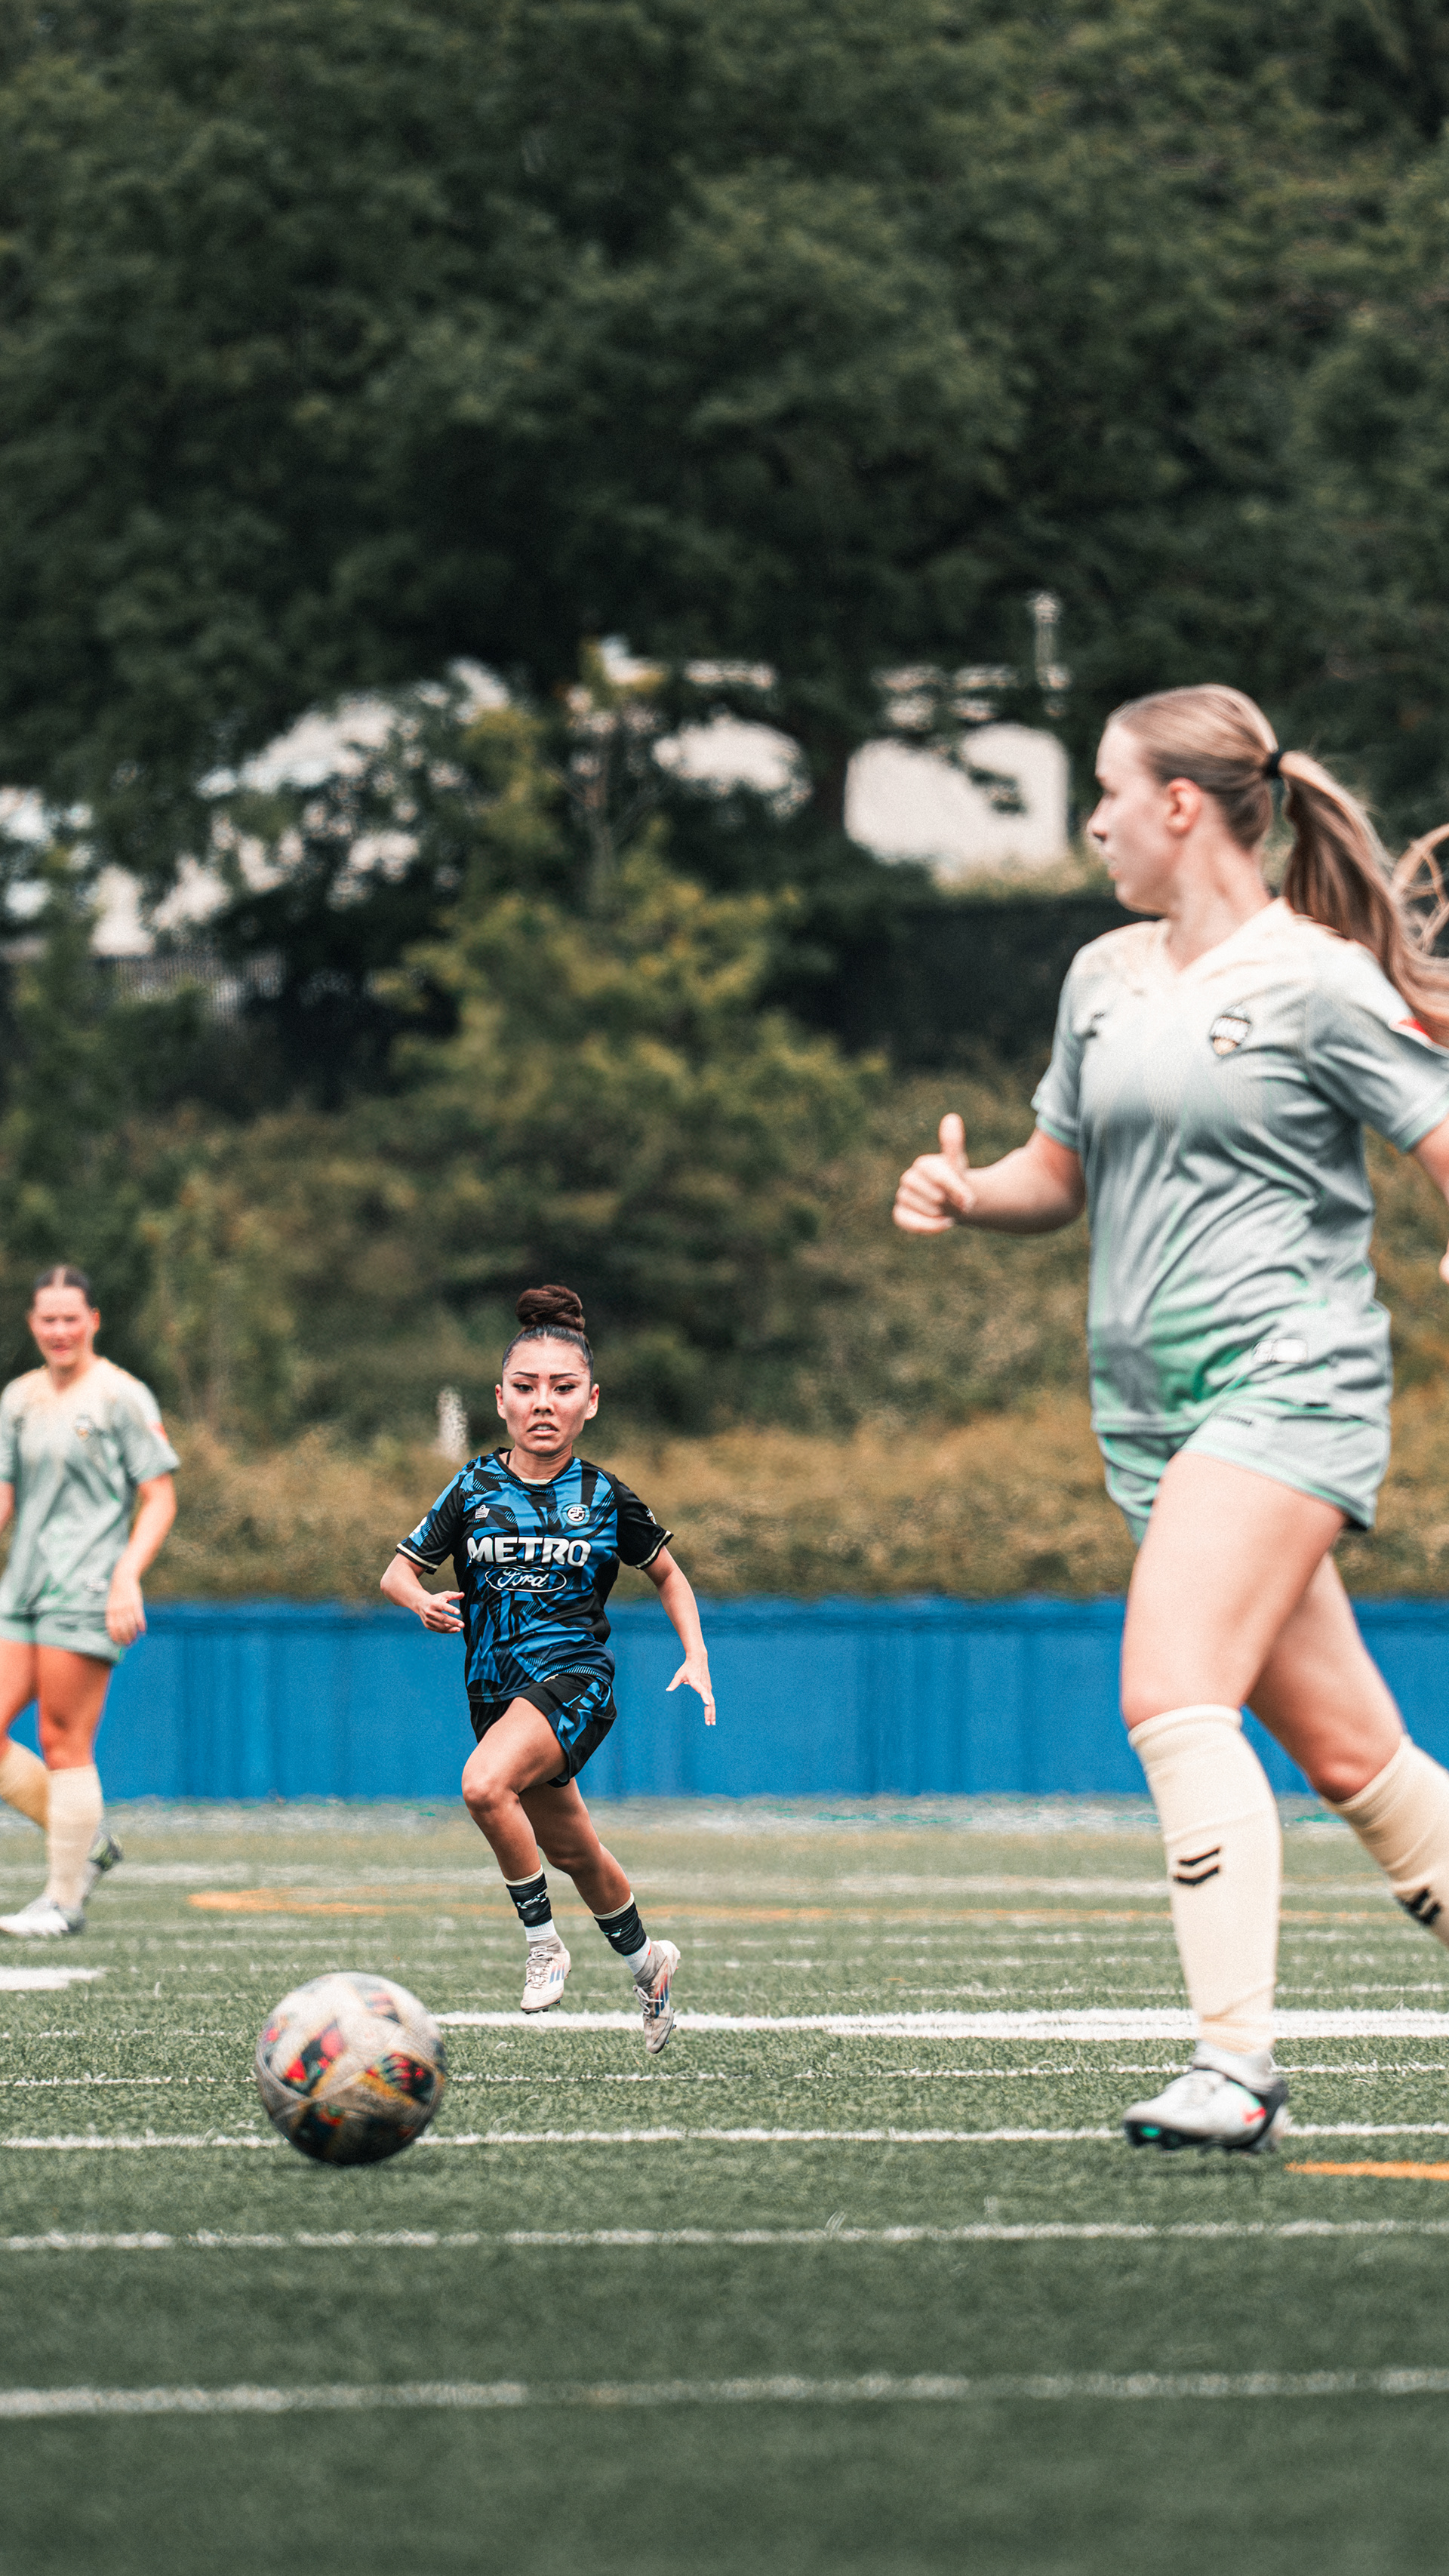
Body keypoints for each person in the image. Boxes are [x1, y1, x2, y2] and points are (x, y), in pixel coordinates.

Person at [894, 682, 1449, 2153]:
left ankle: (1234, 2062)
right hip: (1150, 1422)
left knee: (1171, 1685)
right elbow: (1057, 1171)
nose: (1093, 820)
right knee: (1359, 1762)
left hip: (1289, 1383)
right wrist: (967, 1191)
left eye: (1108, 790)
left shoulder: (1318, 981)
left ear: (1182, 805)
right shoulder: (1102, 976)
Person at [380, 1283, 715, 2054]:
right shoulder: (472, 1486)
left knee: (481, 1784)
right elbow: (398, 1571)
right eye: (526, 1386)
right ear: (500, 1399)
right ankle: (649, 1965)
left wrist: (695, 1653)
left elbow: (668, 1573)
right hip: (497, 1694)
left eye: (562, 1388)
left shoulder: (604, 1495)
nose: (543, 1402)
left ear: (590, 1401)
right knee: (574, 1852)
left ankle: (543, 1944)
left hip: (575, 1681)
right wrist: (420, 1600)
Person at [0, 1266, 178, 1938]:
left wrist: (127, 1575)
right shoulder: (17, 1397)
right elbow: (5, 1495)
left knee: (62, 1738)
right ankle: (89, 1843)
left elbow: (159, 1496)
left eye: (71, 1317)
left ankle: (63, 1899)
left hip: (87, 1588)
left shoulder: (120, 1395)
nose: (59, 1330)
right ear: (32, 1323)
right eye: (48, 1319)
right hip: (22, 1586)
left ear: (93, 1321)